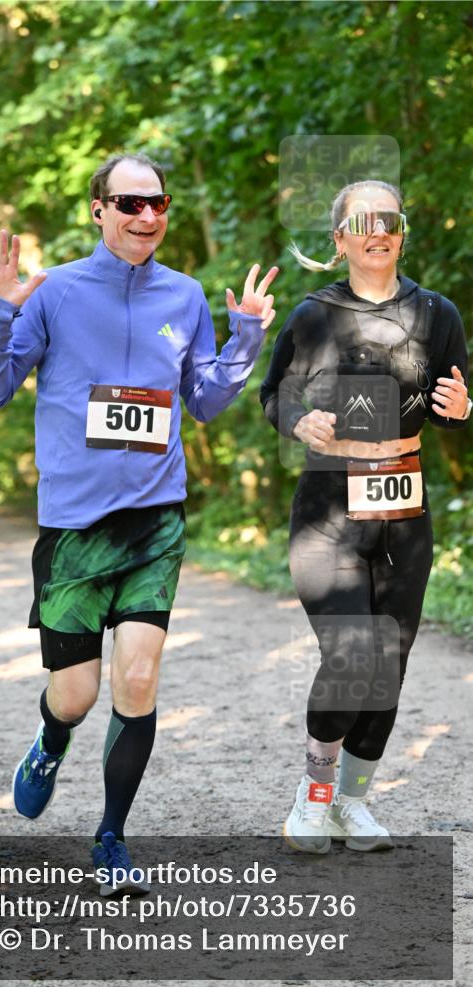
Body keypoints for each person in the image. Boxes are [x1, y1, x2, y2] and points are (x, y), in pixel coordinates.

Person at [0, 152, 278, 891]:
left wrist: (244, 337)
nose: (148, 216)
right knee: (74, 696)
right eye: (131, 203)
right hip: (75, 527)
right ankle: (50, 741)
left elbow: (203, 400)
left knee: (136, 681)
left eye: (159, 203)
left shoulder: (184, 295)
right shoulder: (54, 293)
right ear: (98, 209)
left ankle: (110, 839)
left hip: (155, 520)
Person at [261, 179, 470, 853]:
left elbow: (454, 403)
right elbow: (273, 397)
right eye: (362, 221)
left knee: (390, 659)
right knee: (352, 653)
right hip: (329, 502)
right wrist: (300, 424)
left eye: (389, 219)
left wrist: (462, 410)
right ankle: (313, 794)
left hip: (404, 507)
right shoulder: (313, 314)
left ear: (400, 231)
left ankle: (351, 803)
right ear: (340, 239)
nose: (377, 230)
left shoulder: (436, 313)